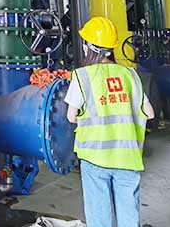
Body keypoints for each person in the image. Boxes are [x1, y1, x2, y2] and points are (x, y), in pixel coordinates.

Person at [64, 16, 155, 227]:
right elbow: (149, 113)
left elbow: (71, 116)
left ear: (88, 47)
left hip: (94, 156)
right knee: (128, 211)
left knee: (99, 213)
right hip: (128, 156)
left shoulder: (82, 76)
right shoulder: (130, 74)